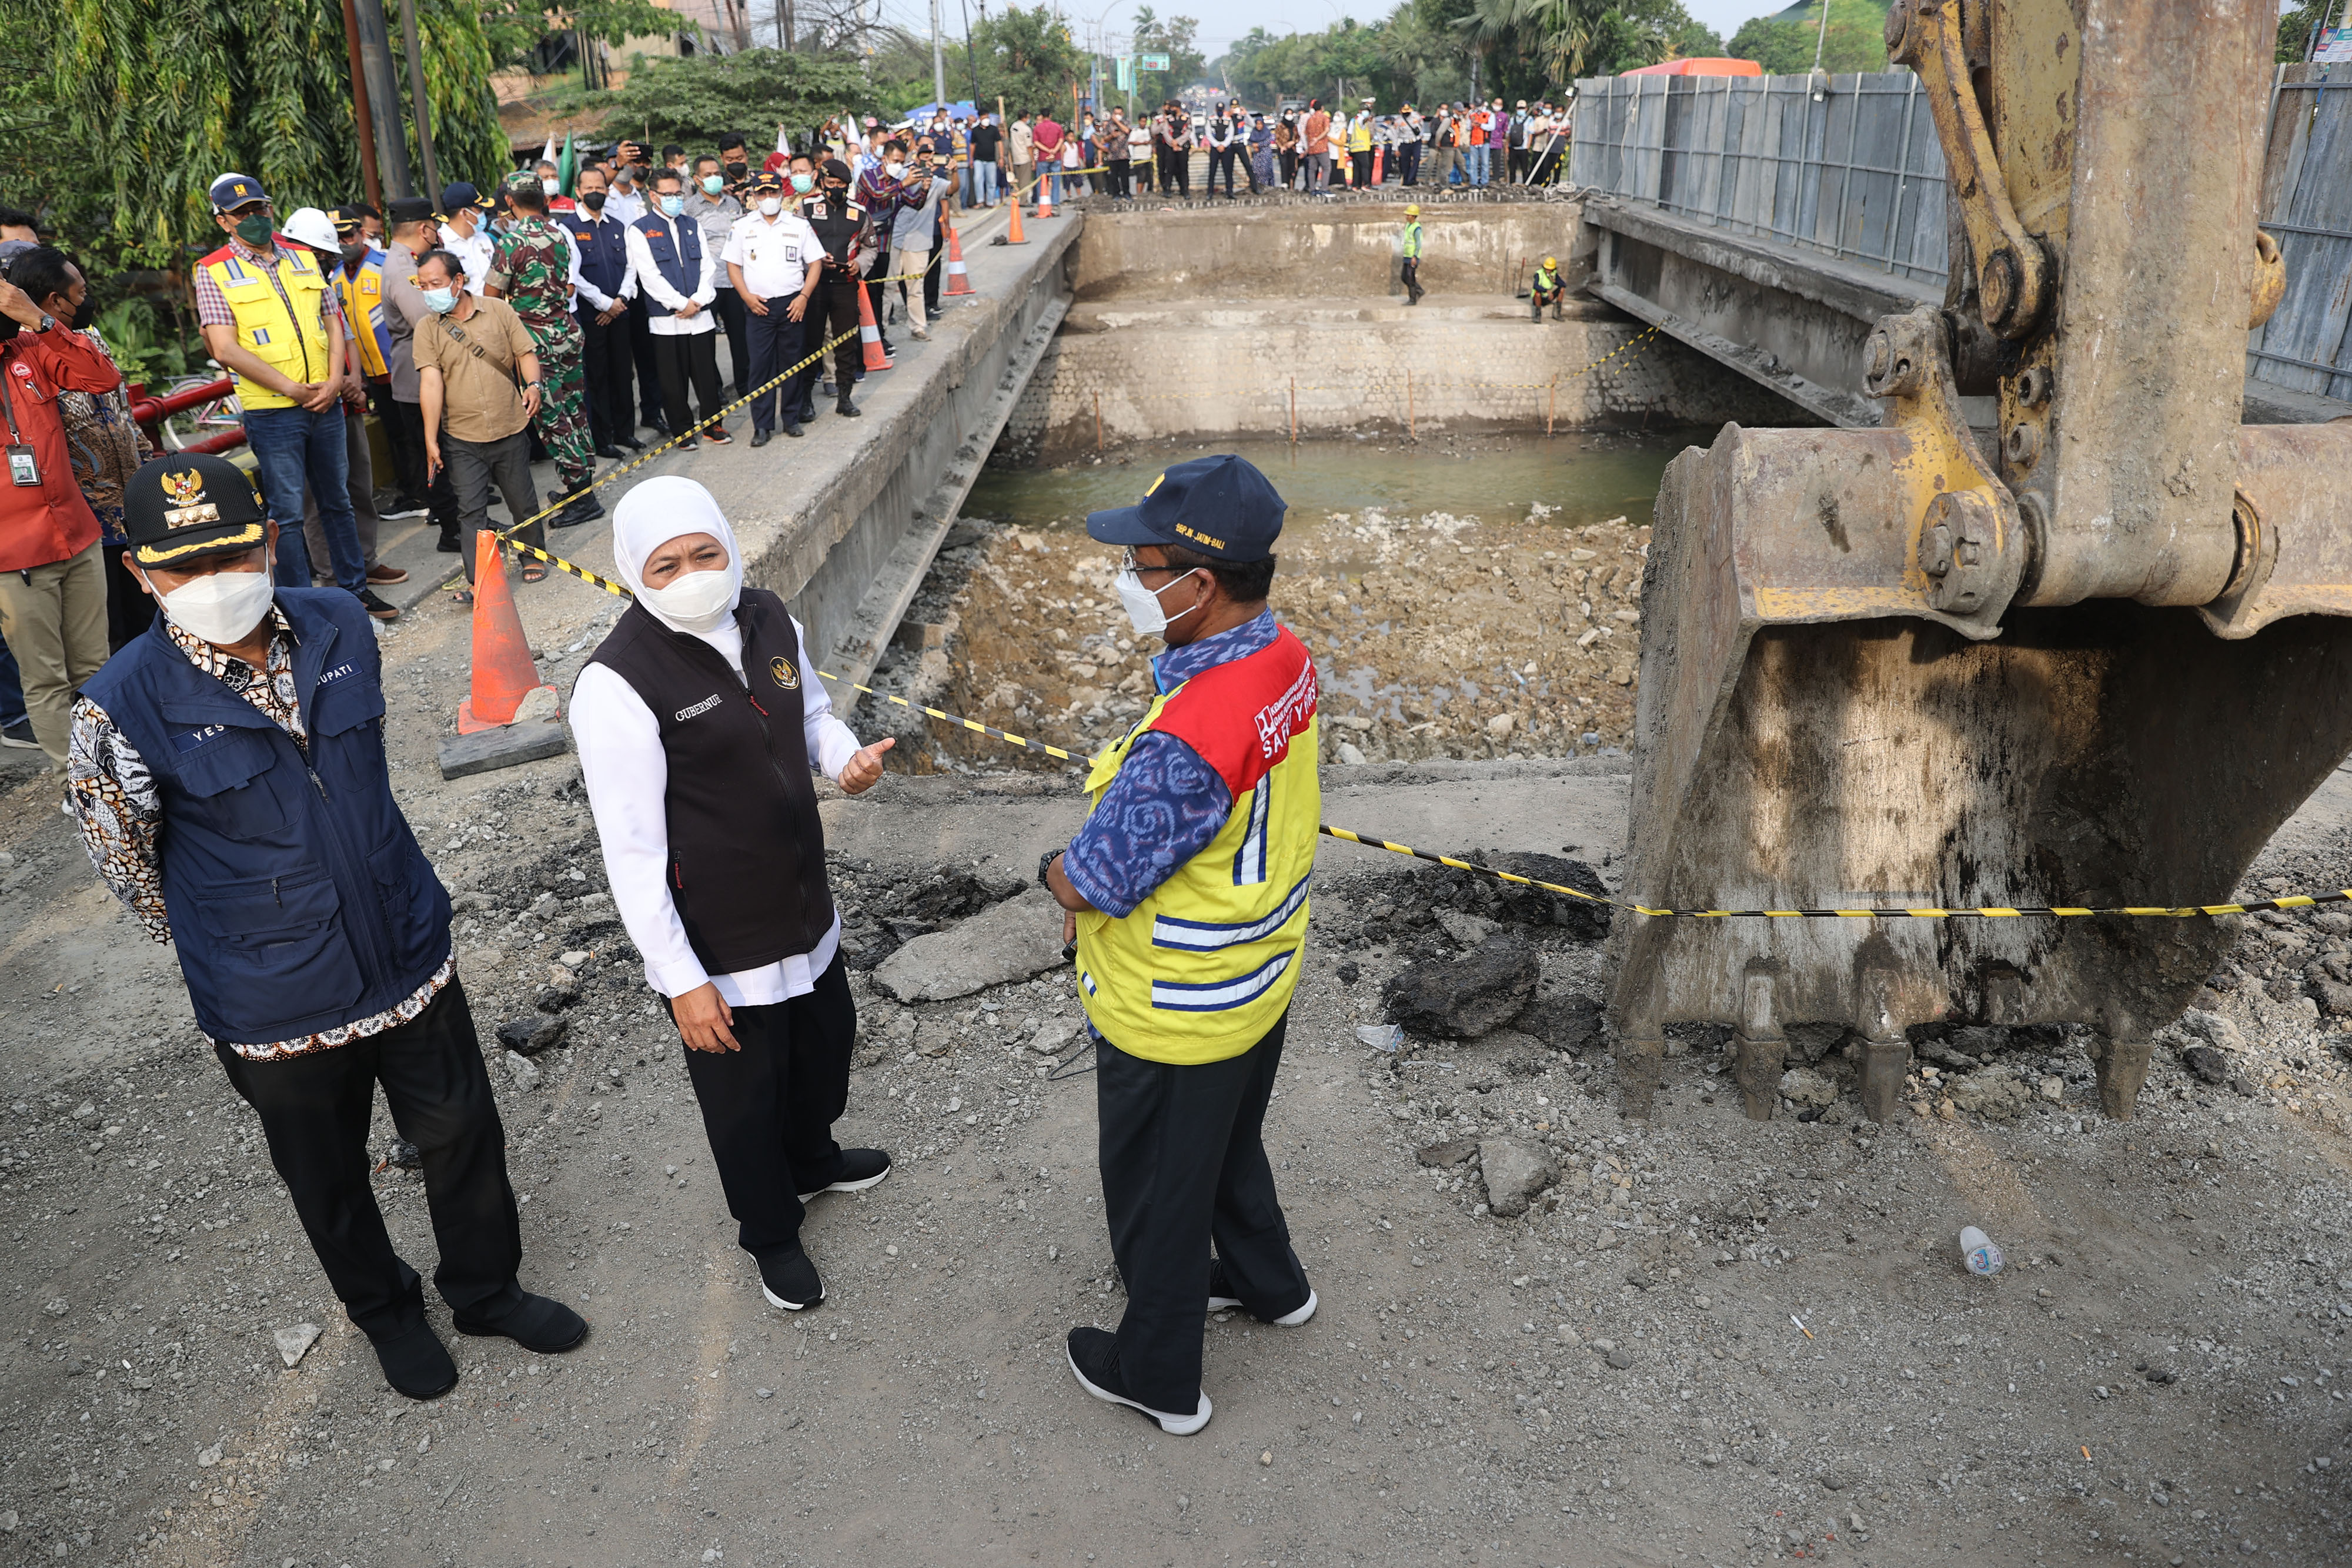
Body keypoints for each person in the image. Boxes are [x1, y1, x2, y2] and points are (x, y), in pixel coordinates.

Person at [71, 454, 588, 1401]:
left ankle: (485, 1287)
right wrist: (244, 933)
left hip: (405, 943)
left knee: (462, 1129)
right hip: (276, 1000)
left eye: (232, 551)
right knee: (329, 1175)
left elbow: (359, 778)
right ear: (140, 572)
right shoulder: (117, 707)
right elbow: (131, 868)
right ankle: (386, 1311)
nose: (215, 582)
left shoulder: (340, 623)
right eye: (183, 569)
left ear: (268, 539)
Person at [1041, 454, 1321, 1436]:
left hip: (1175, 1007)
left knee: (1161, 1189)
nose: (1127, 580)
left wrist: (1052, 872)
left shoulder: (1191, 734)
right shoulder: (1282, 656)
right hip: (1259, 983)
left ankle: (1157, 1370)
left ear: (1199, 585)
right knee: (1230, 1146)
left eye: (1142, 565)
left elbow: (1095, 881)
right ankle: (1269, 1282)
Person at [573, 477, 898, 1313]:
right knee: (744, 1098)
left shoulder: (767, 616)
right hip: (720, 936)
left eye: (704, 553)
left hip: (803, 903)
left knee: (825, 1047)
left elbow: (812, 715)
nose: (691, 575)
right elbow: (633, 847)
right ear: (634, 572)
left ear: (729, 544)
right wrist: (680, 977)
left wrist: (846, 757)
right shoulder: (617, 683)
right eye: (667, 563)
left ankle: (815, 1157)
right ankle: (771, 1228)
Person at [192, 175, 387, 617]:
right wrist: (292, 389)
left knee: (338, 500)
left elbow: (332, 320)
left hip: (326, 400)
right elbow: (225, 348)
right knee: (289, 514)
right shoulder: (213, 270)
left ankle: (355, 593)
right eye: (242, 213)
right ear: (224, 221)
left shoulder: (301, 256)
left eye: (259, 208)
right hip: (274, 412)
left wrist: (336, 379)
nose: (254, 218)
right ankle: (303, 606)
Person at [0, 245, 122, 772]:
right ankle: (80, 779)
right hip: (14, 552)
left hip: (76, 531)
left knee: (97, 663)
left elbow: (101, 378)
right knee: (45, 677)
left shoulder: (31, 346)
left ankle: (117, 766)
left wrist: (40, 319)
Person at [13, 243, 158, 650]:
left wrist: (148, 466)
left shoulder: (88, 339)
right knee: (106, 635)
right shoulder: (22, 351)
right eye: (80, 293)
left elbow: (122, 409)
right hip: (83, 519)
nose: (87, 299)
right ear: (55, 300)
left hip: (134, 506)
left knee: (151, 619)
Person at [412, 249, 547, 592]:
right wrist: (431, 439)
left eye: (436, 283)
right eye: (423, 285)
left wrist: (533, 386)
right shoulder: (427, 328)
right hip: (462, 437)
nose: (429, 291)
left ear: (458, 281)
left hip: (510, 426)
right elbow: (431, 383)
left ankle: (533, 556)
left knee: (522, 500)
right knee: (471, 512)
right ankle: (481, 580)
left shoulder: (499, 310)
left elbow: (524, 354)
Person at [278, 209, 396, 593]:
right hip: (304, 407)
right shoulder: (280, 285)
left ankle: (365, 561)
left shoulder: (319, 282)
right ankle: (333, 578)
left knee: (356, 487)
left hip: (343, 402)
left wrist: (352, 380)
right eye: (321, 254)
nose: (325, 261)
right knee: (316, 502)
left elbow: (345, 334)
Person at [485, 171, 604, 529]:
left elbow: (491, 298)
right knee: (575, 408)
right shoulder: (560, 234)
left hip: (534, 343)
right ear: (543, 199)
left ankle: (582, 496)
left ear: (509, 201)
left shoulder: (511, 242)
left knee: (552, 419)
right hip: (566, 331)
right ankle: (580, 482)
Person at [377, 198, 463, 553]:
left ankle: (463, 523)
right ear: (421, 228)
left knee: (452, 454)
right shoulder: (402, 270)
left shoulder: (407, 262)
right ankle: (453, 530)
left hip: (430, 373)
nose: (438, 232)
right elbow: (428, 323)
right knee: (439, 457)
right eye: (434, 225)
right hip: (420, 378)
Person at [626, 168, 731, 449]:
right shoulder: (639, 230)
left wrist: (697, 300)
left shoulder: (691, 224)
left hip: (700, 315)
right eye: (668, 195)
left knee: (706, 375)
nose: (675, 199)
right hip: (667, 318)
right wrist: (681, 304)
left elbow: (708, 267)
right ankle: (683, 430)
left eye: (678, 194)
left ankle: (713, 425)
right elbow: (649, 276)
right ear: (653, 196)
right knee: (673, 381)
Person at [724, 170, 821, 446]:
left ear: (782, 193)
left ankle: (790, 418)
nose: (768, 198)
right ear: (753, 196)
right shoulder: (742, 226)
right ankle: (762, 426)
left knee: (792, 364)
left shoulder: (799, 225)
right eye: (762, 193)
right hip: (758, 306)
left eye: (773, 192)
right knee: (760, 367)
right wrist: (746, 297)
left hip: (792, 304)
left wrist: (803, 297)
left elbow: (815, 263)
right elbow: (733, 265)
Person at [568, 165, 640, 460]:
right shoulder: (569, 228)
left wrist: (620, 299)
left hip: (620, 311)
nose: (596, 193)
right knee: (597, 377)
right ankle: (603, 438)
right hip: (592, 316)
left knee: (623, 373)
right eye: (590, 188)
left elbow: (631, 266)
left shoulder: (618, 226)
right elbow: (576, 276)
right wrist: (604, 304)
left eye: (601, 188)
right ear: (578, 191)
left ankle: (626, 432)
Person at [796, 160, 868, 420]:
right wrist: (813, 260)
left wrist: (859, 264)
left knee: (846, 342)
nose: (836, 189)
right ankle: (805, 400)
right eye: (831, 184)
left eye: (841, 185)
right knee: (811, 343)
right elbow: (794, 245)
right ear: (821, 184)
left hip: (845, 285)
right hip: (812, 286)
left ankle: (844, 397)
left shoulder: (859, 212)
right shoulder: (805, 209)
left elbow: (870, 246)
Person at [891, 143, 953, 342]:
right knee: (886, 289)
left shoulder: (937, 182)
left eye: (932, 157)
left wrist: (954, 172)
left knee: (915, 287)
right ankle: (881, 333)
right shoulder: (902, 175)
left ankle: (918, 327)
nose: (928, 160)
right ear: (916, 157)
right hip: (893, 239)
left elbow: (951, 191)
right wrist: (911, 180)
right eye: (924, 156)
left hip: (920, 240)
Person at [435, 183, 496, 293]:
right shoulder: (441, 245)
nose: (483, 214)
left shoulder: (483, 238)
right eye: (479, 210)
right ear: (465, 213)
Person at [1204, 104, 1238, 200]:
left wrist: (1224, 145)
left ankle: (1230, 192)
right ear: (1216, 110)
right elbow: (1208, 134)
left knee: (1228, 171)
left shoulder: (1228, 120)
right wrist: (1217, 145)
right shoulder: (1210, 119)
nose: (1220, 111)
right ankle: (1210, 193)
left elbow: (1231, 134)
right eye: (1218, 110)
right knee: (1212, 171)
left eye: (1221, 110)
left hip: (1226, 148)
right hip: (1215, 148)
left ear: (1224, 110)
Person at [970, 111, 1004, 207]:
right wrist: (971, 159)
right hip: (978, 160)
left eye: (988, 117)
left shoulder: (993, 129)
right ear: (980, 118)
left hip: (991, 160)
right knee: (978, 180)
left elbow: (999, 143)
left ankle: (990, 202)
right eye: (984, 117)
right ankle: (980, 201)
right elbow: (972, 145)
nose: (986, 119)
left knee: (991, 182)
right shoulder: (975, 130)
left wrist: (1001, 157)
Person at [1303, 99, 1332, 194]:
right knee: (1326, 168)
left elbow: (1306, 133)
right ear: (1322, 108)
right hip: (1322, 147)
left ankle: (1312, 189)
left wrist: (1311, 142)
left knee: (1312, 169)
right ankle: (1324, 189)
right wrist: (1317, 139)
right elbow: (1327, 130)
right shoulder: (1325, 118)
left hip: (1312, 148)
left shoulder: (1310, 119)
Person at [1008, 113, 1036, 209]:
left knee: (1020, 181)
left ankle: (1021, 198)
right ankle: (1024, 201)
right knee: (1025, 181)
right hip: (1025, 157)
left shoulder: (1013, 127)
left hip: (1016, 157)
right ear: (1025, 118)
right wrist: (1033, 160)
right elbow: (1029, 147)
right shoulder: (1026, 129)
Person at [1348, 99, 1376, 190]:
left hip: (1354, 148)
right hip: (1362, 148)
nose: (1366, 113)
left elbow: (1349, 134)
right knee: (1365, 166)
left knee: (1357, 168)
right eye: (1365, 111)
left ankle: (1355, 186)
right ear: (1360, 111)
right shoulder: (1360, 119)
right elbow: (1363, 120)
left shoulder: (1353, 120)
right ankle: (1366, 185)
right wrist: (1368, 119)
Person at [1401, 203, 1425, 306]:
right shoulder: (1408, 226)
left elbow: (1419, 244)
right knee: (1404, 277)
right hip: (1407, 255)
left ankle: (1413, 299)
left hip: (1413, 257)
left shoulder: (1417, 228)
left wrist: (1415, 257)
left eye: (1409, 215)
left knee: (1410, 278)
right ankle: (1419, 291)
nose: (1407, 217)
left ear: (1414, 216)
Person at [1529, 253, 1565, 322]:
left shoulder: (1554, 274)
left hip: (1548, 298)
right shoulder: (1539, 274)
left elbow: (1563, 284)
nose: (1548, 271)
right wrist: (1546, 291)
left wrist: (1554, 281)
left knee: (1562, 289)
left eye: (1550, 269)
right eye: (1547, 269)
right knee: (1537, 294)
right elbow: (1536, 286)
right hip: (1538, 299)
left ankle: (1558, 313)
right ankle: (1538, 315)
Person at [1128, 114, 1155, 195]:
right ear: (1139, 121)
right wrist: (1142, 143)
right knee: (1141, 177)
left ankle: (1148, 193)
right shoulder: (1135, 131)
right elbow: (1130, 142)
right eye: (1142, 121)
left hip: (1149, 157)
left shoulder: (1149, 131)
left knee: (1149, 176)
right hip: (1139, 157)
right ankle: (1139, 194)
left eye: (1145, 122)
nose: (1143, 123)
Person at [1274, 111, 1299, 192]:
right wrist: (1282, 147)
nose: (1290, 115)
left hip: (1292, 149)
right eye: (1288, 114)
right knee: (1284, 165)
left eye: (1291, 114)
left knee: (1291, 167)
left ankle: (1290, 185)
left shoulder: (1294, 126)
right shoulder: (1280, 126)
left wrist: (1293, 142)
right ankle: (1284, 183)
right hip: (1283, 149)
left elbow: (1298, 138)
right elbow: (1276, 138)